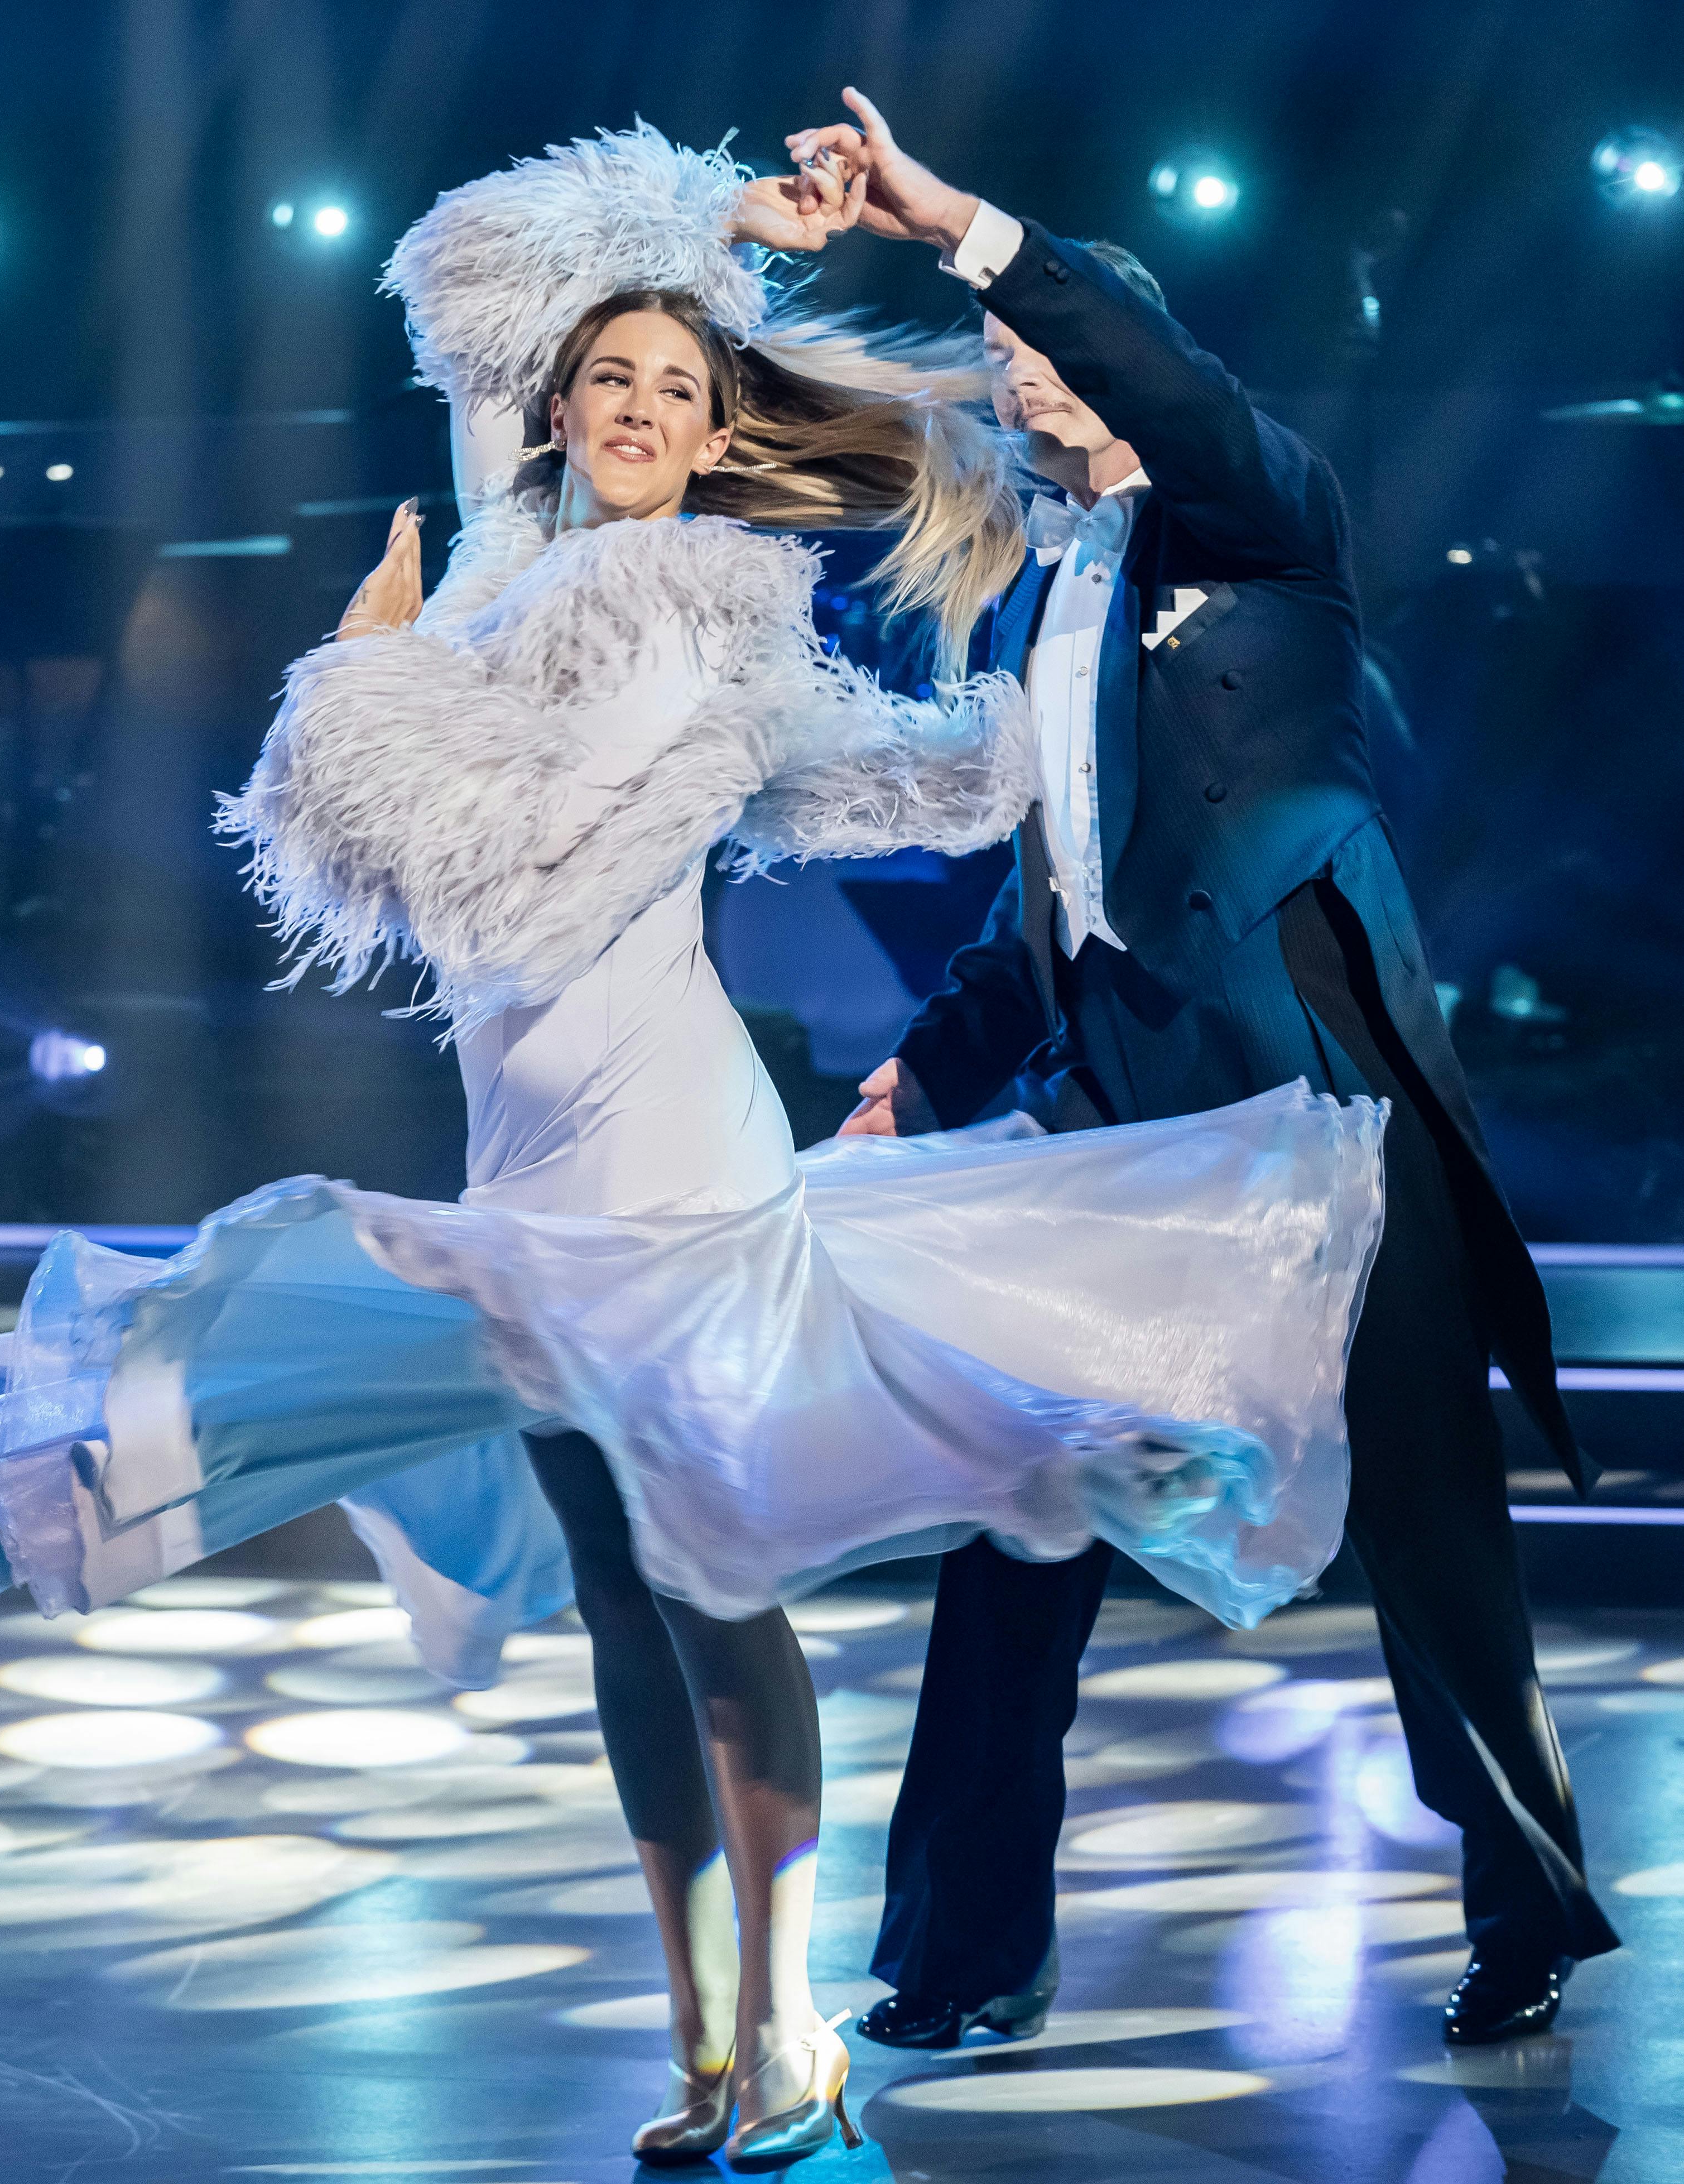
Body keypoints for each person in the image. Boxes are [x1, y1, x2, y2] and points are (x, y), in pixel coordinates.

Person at [0, 126, 1384, 2166]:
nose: (637, 408)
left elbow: (550, 859)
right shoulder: (514, 584)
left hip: (666, 1158)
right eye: (607, 378)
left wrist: (364, 688)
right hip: (526, 1158)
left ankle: (788, 2029)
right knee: (628, 1604)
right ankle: (707, 2043)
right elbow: (460, 295)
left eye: (678, 388)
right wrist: (692, 243)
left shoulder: (704, 619)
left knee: (703, 1588)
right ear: (561, 409)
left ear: (718, 445)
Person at [787, 86, 1619, 2053]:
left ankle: (1524, 1907)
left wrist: (978, 238)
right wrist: (925, 1065)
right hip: (1112, 1138)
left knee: (1427, 1534)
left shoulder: (1262, 525)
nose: (1019, 381)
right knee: (1021, 1520)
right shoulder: (1035, 600)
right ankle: (963, 1950)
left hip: (1321, 1108)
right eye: (999, 366)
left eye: (1037, 351)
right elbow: (1041, 901)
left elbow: (1149, 373)